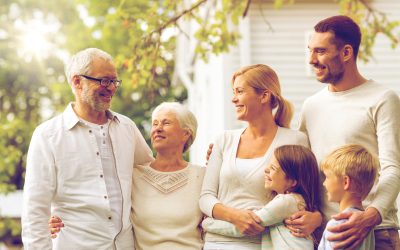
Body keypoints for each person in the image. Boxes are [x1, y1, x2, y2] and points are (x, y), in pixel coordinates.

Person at [21, 48, 153, 249]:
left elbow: (151, 175)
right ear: (77, 82)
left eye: (114, 81)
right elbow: (34, 212)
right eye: (104, 80)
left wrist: (212, 163)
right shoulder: (47, 135)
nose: (111, 88)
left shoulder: (127, 127)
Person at [296, 15, 400, 249]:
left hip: (376, 232)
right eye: (310, 50)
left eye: (320, 51)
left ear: (346, 53)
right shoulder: (311, 105)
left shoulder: (383, 99)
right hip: (327, 234)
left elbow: (393, 168)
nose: (312, 60)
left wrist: (371, 215)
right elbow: (301, 168)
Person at [49, 102, 205, 250]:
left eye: (166, 123)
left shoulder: (202, 176)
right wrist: (57, 217)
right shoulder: (133, 176)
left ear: (186, 133)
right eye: (155, 124)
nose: (157, 129)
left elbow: (213, 224)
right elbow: (97, 200)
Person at [199, 64, 322, 249]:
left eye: (240, 91)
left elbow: (308, 195)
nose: (233, 99)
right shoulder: (223, 140)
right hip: (217, 242)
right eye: (234, 92)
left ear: (264, 96)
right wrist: (235, 216)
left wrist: (317, 218)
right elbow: (206, 198)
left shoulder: (295, 140)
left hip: (264, 244)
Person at [202, 145, 320, 250]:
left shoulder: (285, 202)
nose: (266, 169)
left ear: (292, 181)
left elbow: (247, 225)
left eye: (273, 168)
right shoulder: (297, 201)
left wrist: (207, 224)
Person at [318, 144, 378, 250]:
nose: (324, 183)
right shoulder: (366, 228)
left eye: (327, 177)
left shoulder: (338, 225)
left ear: (346, 182)